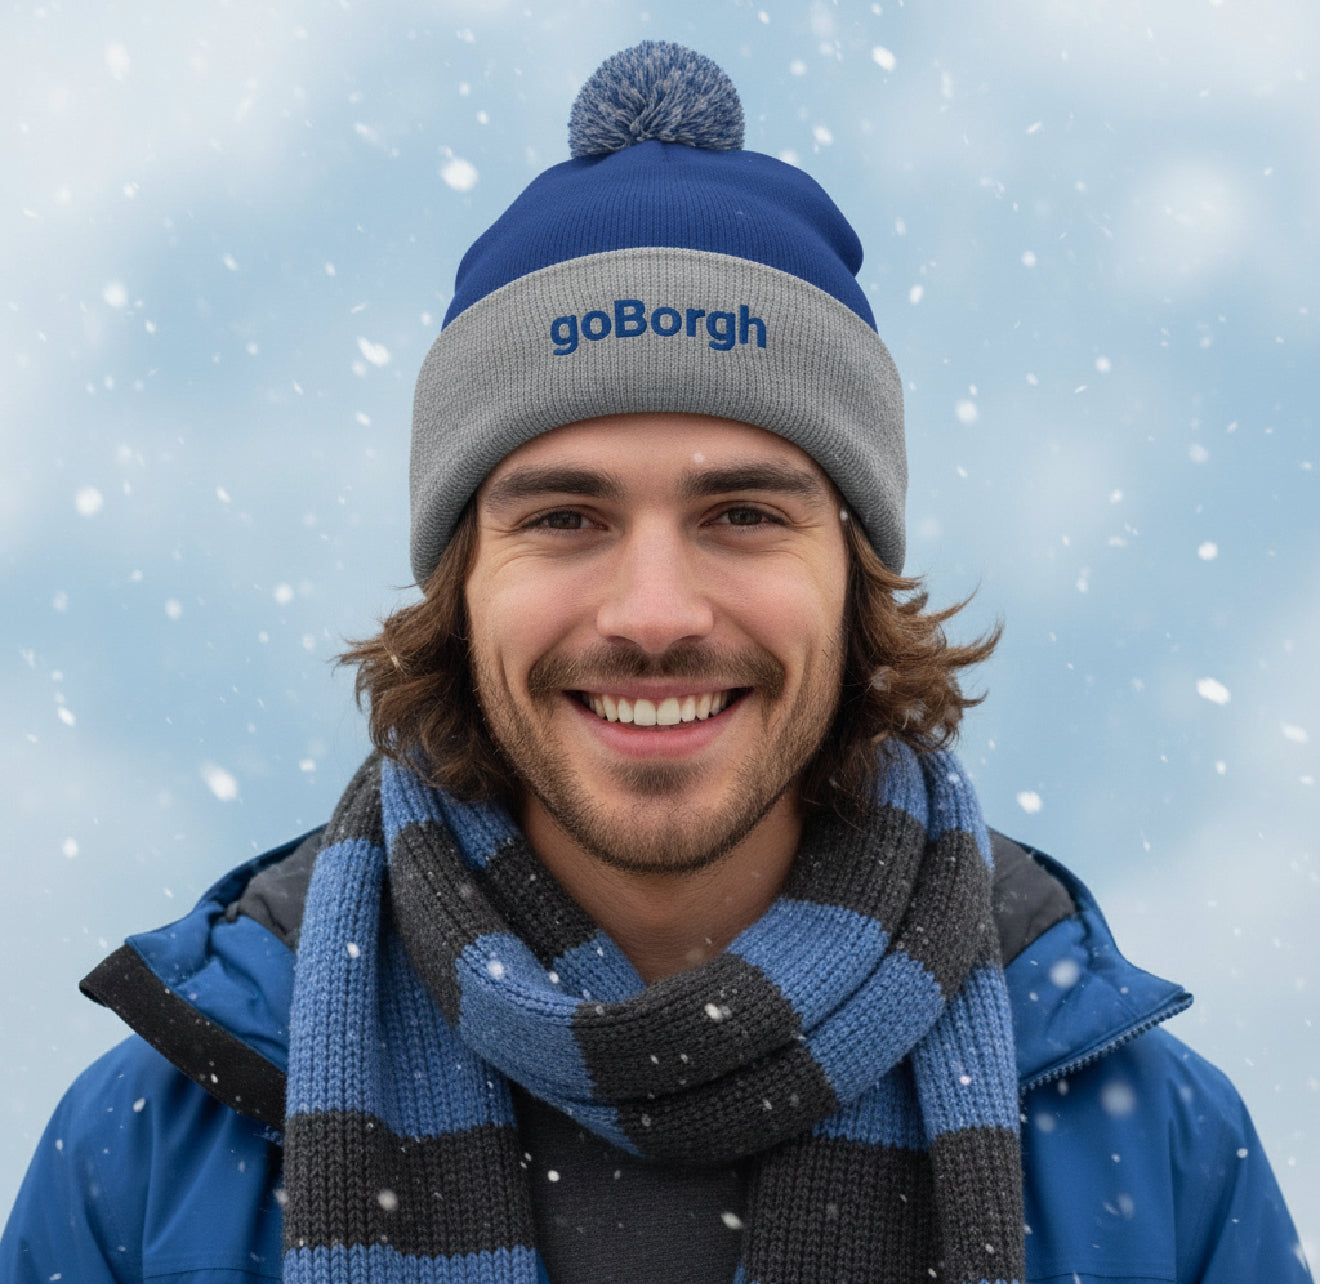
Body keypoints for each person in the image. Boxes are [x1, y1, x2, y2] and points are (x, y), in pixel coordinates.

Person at [1, 41, 1310, 1284]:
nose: (652, 609)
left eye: (742, 514)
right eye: (566, 517)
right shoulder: (158, 1155)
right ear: (460, 588)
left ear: (856, 578)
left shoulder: (1148, 1149)